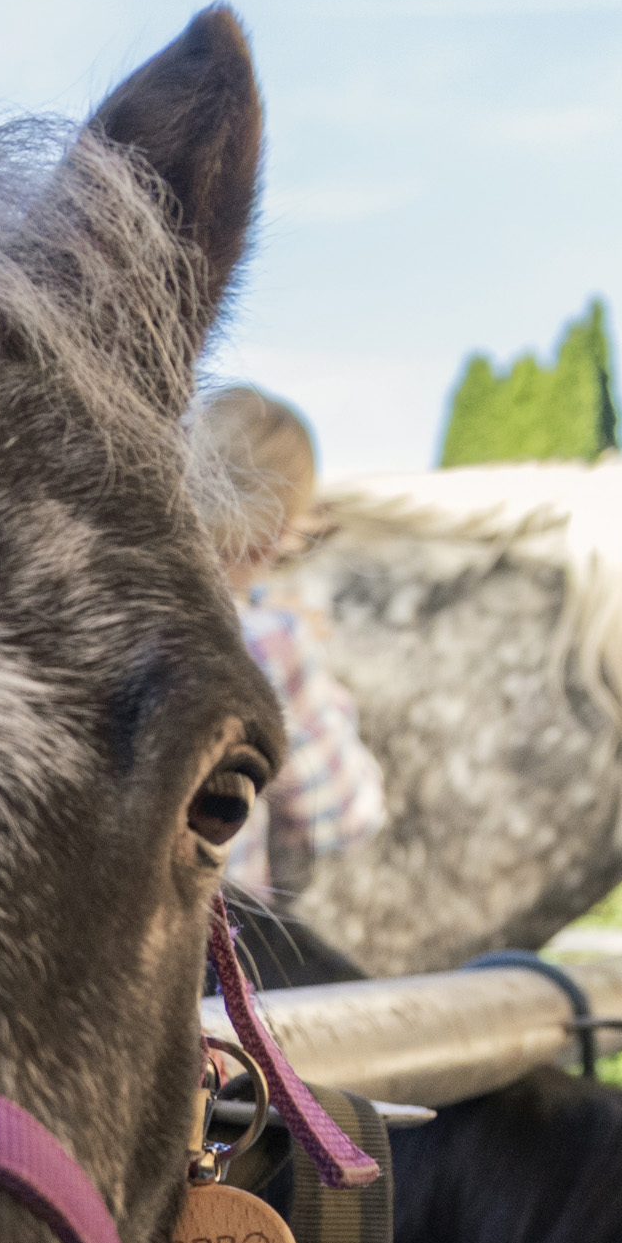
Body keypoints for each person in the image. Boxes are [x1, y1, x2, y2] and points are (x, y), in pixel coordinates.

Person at [195, 384, 387, 900]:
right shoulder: (269, 639)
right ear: (280, 527)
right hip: (203, 960)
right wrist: (326, 689)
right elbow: (340, 814)